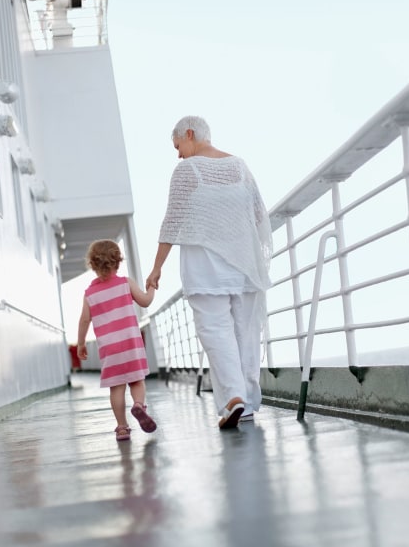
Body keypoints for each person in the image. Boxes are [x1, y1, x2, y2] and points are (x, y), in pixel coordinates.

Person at [146, 115, 272, 430]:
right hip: (242, 263)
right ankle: (246, 401)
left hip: (205, 266)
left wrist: (156, 268)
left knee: (215, 330)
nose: (178, 154)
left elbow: (172, 220)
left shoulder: (187, 170)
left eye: (178, 146)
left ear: (190, 134)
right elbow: (258, 214)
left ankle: (233, 398)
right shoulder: (241, 167)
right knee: (245, 332)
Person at [78, 239, 157, 441]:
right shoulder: (125, 283)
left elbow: (85, 319)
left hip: (110, 349)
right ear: (118, 262)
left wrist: (80, 344)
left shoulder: (90, 294)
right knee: (137, 380)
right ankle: (139, 405)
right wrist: (151, 287)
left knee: (117, 387)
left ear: (93, 265)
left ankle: (122, 427)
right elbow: (146, 301)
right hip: (130, 343)